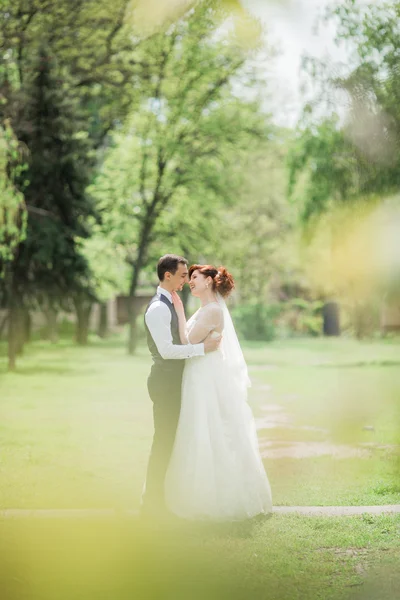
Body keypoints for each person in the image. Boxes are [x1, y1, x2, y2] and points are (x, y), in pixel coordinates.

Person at [165, 264, 272, 520]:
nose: (190, 281)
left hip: (205, 375)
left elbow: (188, 341)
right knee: (201, 425)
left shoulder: (212, 310)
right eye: (189, 277)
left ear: (209, 281)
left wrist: (179, 312)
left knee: (209, 425)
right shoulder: (206, 309)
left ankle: (218, 496)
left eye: (194, 277)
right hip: (199, 371)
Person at [141, 254, 221, 517]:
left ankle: (166, 498)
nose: (186, 280)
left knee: (172, 441)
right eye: (183, 275)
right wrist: (202, 348)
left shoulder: (172, 303)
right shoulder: (158, 308)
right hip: (165, 383)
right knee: (163, 442)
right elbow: (166, 351)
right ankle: (153, 502)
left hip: (174, 382)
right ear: (168, 275)